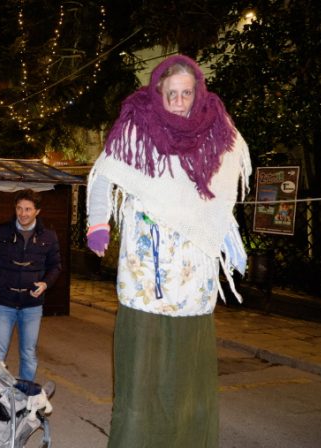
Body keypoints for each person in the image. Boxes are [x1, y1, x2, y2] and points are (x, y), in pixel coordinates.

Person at [86, 55, 251, 447]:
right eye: (171, 93)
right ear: (158, 91)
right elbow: (102, 176)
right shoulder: (135, 127)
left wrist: (223, 231)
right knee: (142, 370)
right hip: (148, 269)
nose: (178, 102)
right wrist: (97, 223)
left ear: (198, 93)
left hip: (194, 271)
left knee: (187, 372)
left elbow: (227, 185)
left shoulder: (219, 127)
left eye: (186, 94)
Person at [0, 189, 62, 383]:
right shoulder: (1, 231)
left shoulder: (48, 236)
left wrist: (46, 283)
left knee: (29, 353)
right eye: (19, 208)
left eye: (28, 209)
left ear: (37, 211)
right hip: (3, 303)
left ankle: (26, 396)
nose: (23, 213)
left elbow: (56, 265)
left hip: (32, 305)